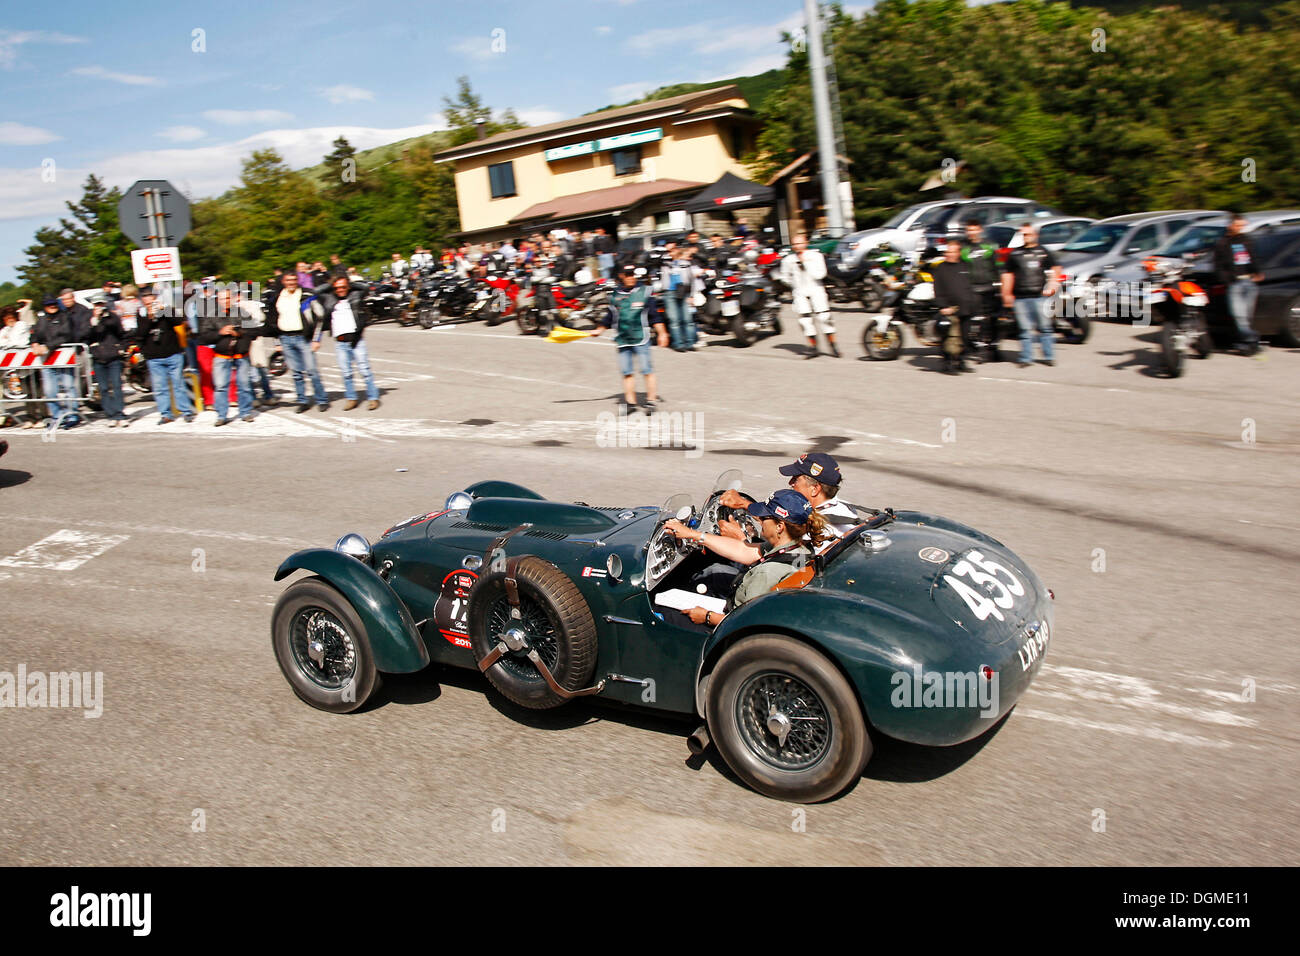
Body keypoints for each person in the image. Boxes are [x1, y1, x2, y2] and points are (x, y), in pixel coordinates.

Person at [669, 490, 830, 629]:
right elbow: (743, 550)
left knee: (668, 614)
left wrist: (706, 616)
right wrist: (694, 535)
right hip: (750, 606)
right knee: (715, 571)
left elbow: (746, 623)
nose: (759, 520)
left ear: (780, 526)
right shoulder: (798, 548)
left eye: (764, 517)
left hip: (732, 625)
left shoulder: (767, 573)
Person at [591, 265, 668, 413]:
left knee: (647, 370)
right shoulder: (615, 295)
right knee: (627, 372)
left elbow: (654, 316)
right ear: (621, 276)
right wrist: (599, 329)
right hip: (623, 339)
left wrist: (662, 333)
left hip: (641, 337)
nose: (631, 277)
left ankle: (651, 401)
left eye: (633, 274)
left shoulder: (644, 292)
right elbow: (610, 317)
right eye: (627, 275)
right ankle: (630, 403)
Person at [264, 270, 328, 412]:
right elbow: (272, 323)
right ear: (283, 282)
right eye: (288, 280)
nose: (291, 283)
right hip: (286, 338)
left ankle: (321, 399)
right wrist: (277, 342)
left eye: (294, 280)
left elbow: (320, 317)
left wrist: (316, 339)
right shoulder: (277, 298)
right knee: (296, 373)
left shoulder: (307, 295)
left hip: (303, 338)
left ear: (297, 280)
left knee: (312, 371)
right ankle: (302, 401)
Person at [315, 275, 380, 411]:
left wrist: (349, 283)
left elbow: (366, 287)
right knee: (346, 373)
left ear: (348, 286)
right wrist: (332, 283)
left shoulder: (355, 295)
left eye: (343, 287)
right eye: (337, 288)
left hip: (356, 340)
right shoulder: (329, 299)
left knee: (365, 370)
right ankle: (351, 398)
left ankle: (373, 398)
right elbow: (317, 291)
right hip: (340, 342)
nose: (340, 290)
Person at [1001, 223, 1060, 367]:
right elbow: (1007, 275)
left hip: (1040, 296)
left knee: (1045, 328)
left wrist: (1053, 283)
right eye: (1023, 234)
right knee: (1024, 330)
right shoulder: (1015, 254)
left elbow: (1056, 268)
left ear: (1035, 235)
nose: (1026, 237)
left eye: (1028, 234)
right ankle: (1026, 358)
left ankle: (1048, 356)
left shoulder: (1043, 252)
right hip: (1020, 297)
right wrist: (1006, 293)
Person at [201, 289, 259, 425]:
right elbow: (203, 337)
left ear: (233, 298)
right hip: (222, 355)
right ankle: (221, 415)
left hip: (241, 354)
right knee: (221, 386)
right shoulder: (211, 315)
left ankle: (245, 412)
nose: (225, 301)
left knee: (244, 385)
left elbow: (255, 331)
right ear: (217, 300)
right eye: (222, 299)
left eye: (227, 298)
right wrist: (220, 333)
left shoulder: (242, 313)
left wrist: (240, 332)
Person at [138, 288, 195, 424]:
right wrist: (149, 317)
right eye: (145, 297)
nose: (148, 300)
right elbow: (140, 334)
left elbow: (178, 321)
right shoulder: (141, 313)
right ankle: (166, 414)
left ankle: (186, 411)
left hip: (172, 354)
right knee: (160, 388)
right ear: (142, 300)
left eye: (151, 296)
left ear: (155, 298)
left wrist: (164, 310)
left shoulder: (166, 309)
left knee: (178, 385)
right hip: (154, 357)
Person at [31, 295, 89, 427]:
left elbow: (66, 336)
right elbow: (34, 334)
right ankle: (57, 416)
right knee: (50, 391)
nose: (52, 307)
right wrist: (34, 343)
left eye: (54, 304)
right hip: (47, 361)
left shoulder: (64, 317)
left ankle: (72, 415)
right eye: (49, 304)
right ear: (44, 306)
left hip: (64, 358)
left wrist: (47, 346)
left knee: (69, 387)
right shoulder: (41, 319)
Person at [1213, 214, 1264, 352]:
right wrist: (1227, 280)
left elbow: (1253, 258)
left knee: (1247, 315)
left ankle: (1246, 344)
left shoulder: (1246, 240)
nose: (1240, 228)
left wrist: (1258, 272)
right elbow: (1218, 266)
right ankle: (1253, 340)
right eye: (1237, 225)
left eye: (1242, 226)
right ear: (1230, 226)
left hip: (1249, 281)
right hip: (1234, 284)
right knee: (1239, 315)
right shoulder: (1222, 243)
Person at [781, 234, 838, 357]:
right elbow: (785, 277)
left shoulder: (816, 256)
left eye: (800, 243)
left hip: (815, 289)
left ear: (806, 243)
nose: (797, 246)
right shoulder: (788, 260)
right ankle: (813, 347)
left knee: (824, 317)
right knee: (805, 320)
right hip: (800, 292)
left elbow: (820, 274)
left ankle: (833, 345)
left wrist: (805, 264)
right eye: (795, 244)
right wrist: (794, 285)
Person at [932, 239, 977, 373]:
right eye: (947, 251)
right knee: (949, 338)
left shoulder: (966, 266)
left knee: (964, 337)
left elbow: (971, 286)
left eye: (952, 252)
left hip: (966, 308)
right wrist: (943, 306)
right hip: (949, 309)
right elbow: (937, 289)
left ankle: (961, 361)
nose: (949, 254)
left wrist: (973, 303)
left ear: (958, 253)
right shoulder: (940, 268)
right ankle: (947, 363)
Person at [962, 218, 1003, 361]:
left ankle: (994, 348)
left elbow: (998, 266)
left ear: (980, 230)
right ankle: (978, 348)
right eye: (969, 230)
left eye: (974, 229)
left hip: (990, 287)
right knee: (976, 320)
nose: (972, 232)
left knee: (992, 319)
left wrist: (999, 284)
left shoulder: (989, 246)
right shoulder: (963, 248)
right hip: (972, 289)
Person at [85, 298, 129, 427]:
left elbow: (122, 333)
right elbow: (85, 336)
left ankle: (120, 414)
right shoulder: (90, 318)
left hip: (113, 356)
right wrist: (94, 322)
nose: (99, 307)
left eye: (101, 304)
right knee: (103, 388)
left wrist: (121, 348)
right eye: (97, 304)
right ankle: (111, 415)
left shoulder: (112, 317)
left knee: (117, 386)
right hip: (98, 357)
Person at [660, 246, 700, 352]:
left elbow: (692, 280)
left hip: (684, 292)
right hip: (670, 292)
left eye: (673, 250)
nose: (671, 253)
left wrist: (691, 295)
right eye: (669, 251)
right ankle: (678, 343)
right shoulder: (665, 265)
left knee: (687, 319)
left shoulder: (686, 264)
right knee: (674, 320)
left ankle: (690, 342)